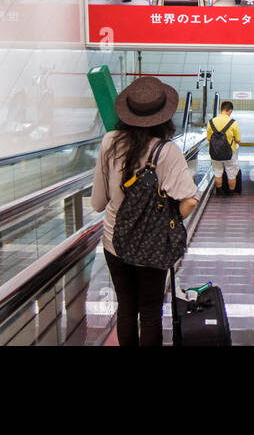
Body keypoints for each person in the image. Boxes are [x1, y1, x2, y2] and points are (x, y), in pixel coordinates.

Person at [90, 76, 199, 346]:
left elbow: (97, 203)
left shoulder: (110, 141)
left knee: (126, 308)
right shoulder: (167, 151)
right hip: (152, 248)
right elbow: (189, 200)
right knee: (150, 312)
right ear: (164, 117)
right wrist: (167, 221)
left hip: (114, 241)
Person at [206, 100, 242, 195]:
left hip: (215, 153)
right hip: (230, 153)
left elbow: (208, 138)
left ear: (221, 109)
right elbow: (238, 139)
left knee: (217, 172)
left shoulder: (211, 122)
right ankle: (230, 194)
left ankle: (219, 192)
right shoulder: (233, 123)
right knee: (231, 174)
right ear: (230, 111)